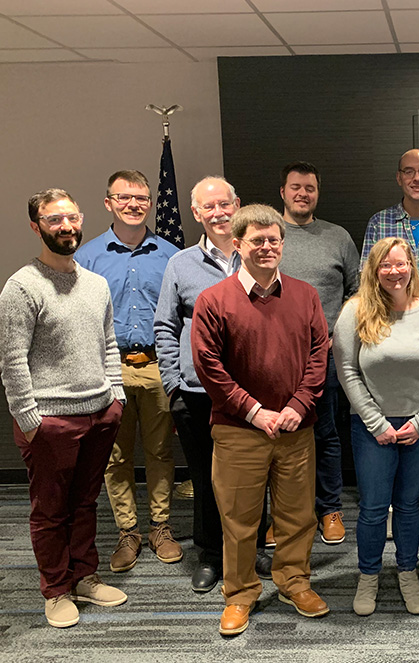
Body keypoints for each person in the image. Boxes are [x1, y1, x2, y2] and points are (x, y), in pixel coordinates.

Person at [191, 204, 329, 635]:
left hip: (295, 428)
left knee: (297, 515)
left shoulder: (305, 295)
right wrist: (254, 410)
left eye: (274, 240)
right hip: (238, 431)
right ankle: (240, 593)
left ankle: (293, 581)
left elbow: (319, 353)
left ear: (283, 245)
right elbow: (209, 367)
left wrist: (296, 406)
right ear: (238, 245)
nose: (267, 247)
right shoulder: (213, 300)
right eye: (257, 240)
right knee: (239, 518)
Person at [0, 188, 127, 628]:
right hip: (51, 422)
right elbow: (12, 359)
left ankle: (84, 576)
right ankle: (55, 589)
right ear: (36, 226)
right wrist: (30, 418)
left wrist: (117, 397)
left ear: (82, 218)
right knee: (50, 510)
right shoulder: (22, 286)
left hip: (100, 413)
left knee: (86, 502)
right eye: (54, 220)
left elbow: (109, 343)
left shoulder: (96, 283)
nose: (66, 227)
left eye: (71, 217)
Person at [333, 237, 419, 616]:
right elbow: (347, 372)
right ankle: (368, 575)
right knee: (372, 509)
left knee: (407, 507)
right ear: (374, 270)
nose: (394, 271)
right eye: (385, 265)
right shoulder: (354, 312)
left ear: (412, 267)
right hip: (372, 428)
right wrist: (376, 423)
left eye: (400, 264)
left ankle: (406, 572)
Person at [75, 170, 181, 574]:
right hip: (110, 369)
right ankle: (128, 531)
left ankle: (160, 526)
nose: (134, 204)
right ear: (108, 203)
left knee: (159, 451)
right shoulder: (87, 257)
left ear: (151, 203)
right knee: (115, 457)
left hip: (156, 367)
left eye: (141, 198)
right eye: (124, 197)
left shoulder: (170, 254)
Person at [154, 176, 241, 592]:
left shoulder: (259, 255)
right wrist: (173, 383)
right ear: (196, 214)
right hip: (196, 394)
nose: (219, 213)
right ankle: (210, 553)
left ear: (237, 205)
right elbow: (165, 326)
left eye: (225, 204)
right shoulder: (180, 263)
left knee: (249, 475)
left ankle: (249, 546)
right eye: (209, 207)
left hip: (250, 396)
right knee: (205, 477)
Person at [278, 161, 359, 545]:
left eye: (309, 188)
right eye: (295, 187)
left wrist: (336, 331)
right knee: (276, 436)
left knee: (326, 434)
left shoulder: (338, 237)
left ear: (317, 193)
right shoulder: (268, 236)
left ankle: (329, 509)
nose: (302, 194)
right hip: (273, 358)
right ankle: (283, 514)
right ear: (283, 192)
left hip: (323, 356)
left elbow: (357, 292)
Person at [361, 149, 419, 292]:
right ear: (399, 178)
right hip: (391, 313)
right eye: (409, 172)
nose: (417, 178)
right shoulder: (379, 223)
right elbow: (367, 279)